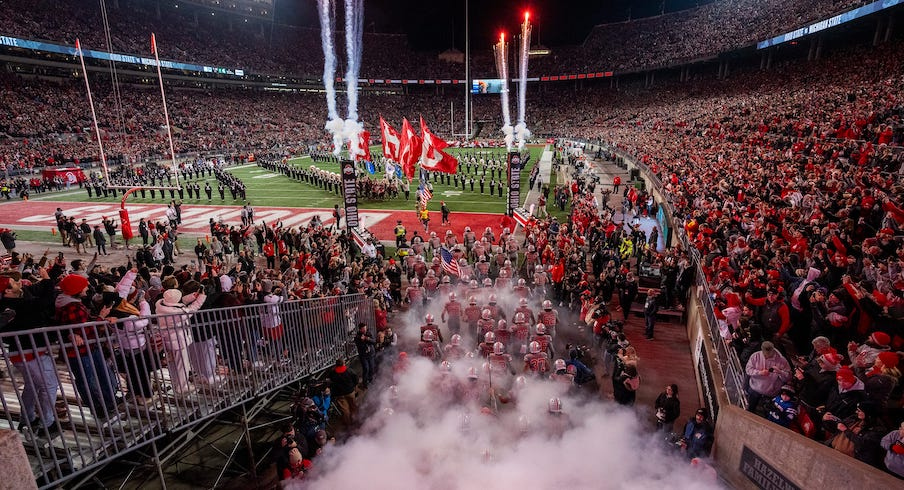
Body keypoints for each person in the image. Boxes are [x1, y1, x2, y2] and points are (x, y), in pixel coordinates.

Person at [744, 341, 790, 413]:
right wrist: (759, 372)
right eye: (764, 354)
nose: (766, 356)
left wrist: (780, 372)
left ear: (773, 351)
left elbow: (788, 377)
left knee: (766, 412)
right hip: (755, 388)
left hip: (771, 392)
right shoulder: (755, 356)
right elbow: (748, 370)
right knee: (750, 409)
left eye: (768, 354)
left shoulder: (782, 361)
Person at [326, 358, 358, 427]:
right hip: (350, 392)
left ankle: (348, 424)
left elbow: (329, 381)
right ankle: (355, 420)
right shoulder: (349, 370)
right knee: (353, 406)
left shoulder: (332, 372)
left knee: (345, 410)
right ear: (343, 363)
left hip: (339, 394)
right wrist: (354, 385)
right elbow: (356, 378)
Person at [354, 323, 377, 387]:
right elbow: (359, 346)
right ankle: (365, 382)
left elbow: (374, 341)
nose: (365, 330)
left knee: (372, 368)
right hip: (363, 355)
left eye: (365, 328)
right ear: (360, 329)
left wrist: (367, 339)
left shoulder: (369, 333)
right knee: (366, 368)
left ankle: (371, 379)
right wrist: (362, 340)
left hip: (371, 354)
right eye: (363, 329)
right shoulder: (357, 337)